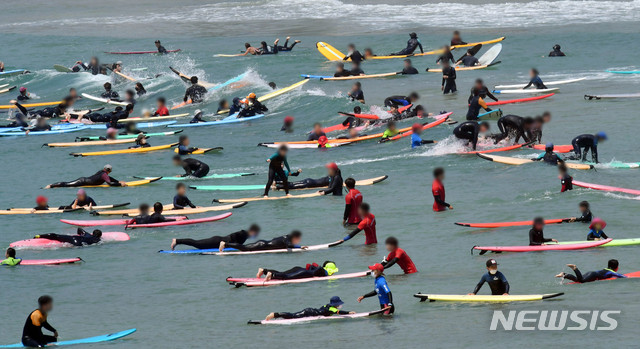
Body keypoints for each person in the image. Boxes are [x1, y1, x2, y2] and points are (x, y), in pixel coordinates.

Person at [171, 224, 261, 250]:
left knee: (198, 244)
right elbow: (234, 235)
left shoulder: (246, 235)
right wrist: (229, 242)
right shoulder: (244, 233)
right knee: (197, 244)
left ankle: (178, 241)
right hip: (217, 241)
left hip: (219, 241)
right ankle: (177, 241)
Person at [264, 296, 355, 321]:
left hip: (310, 310)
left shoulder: (327, 305)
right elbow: (340, 312)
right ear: (336, 304)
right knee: (292, 316)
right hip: (308, 313)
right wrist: (349, 312)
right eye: (339, 304)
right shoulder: (332, 309)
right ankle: (275, 314)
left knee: (293, 315)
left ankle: (276, 314)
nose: (339, 305)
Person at [46, 164, 127, 188]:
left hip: (83, 180)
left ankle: (53, 185)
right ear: (109, 171)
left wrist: (118, 181)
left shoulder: (102, 172)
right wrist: (120, 184)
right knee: (67, 184)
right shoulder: (104, 175)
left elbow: (110, 179)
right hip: (82, 181)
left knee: (67, 184)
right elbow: (109, 183)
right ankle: (51, 185)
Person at [220, 230, 305, 252]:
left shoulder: (286, 236)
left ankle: (226, 244)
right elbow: (289, 245)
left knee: (244, 247)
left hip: (263, 243)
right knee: (244, 248)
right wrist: (300, 247)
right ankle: (225, 244)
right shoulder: (287, 239)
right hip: (261, 245)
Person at [556, 259, 626, 283]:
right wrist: (627, 277)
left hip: (591, 273)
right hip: (593, 275)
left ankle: (564, 274)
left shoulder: (606, 269)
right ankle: (575, 268)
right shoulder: (611, 272)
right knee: (582, 281)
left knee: (578, 280)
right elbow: (620, 275)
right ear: (616, 267)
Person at [258, 261, 339, 281]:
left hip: (299, 269)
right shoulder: (324, 272)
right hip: (304, 273)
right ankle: (272, 275)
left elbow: (311, 266)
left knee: (282, 273)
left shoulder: (320, 268)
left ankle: (264, 271)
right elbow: (315, 269)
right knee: (287, 277)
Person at [35, 228, 103, 246]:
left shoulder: (87, 234)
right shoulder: (98, 240)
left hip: (75, 238)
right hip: (80, 244)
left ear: (92, 233)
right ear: (100, 236)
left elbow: (79, 229)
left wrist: (80, 234)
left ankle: (39, 236)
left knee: (56, 236)